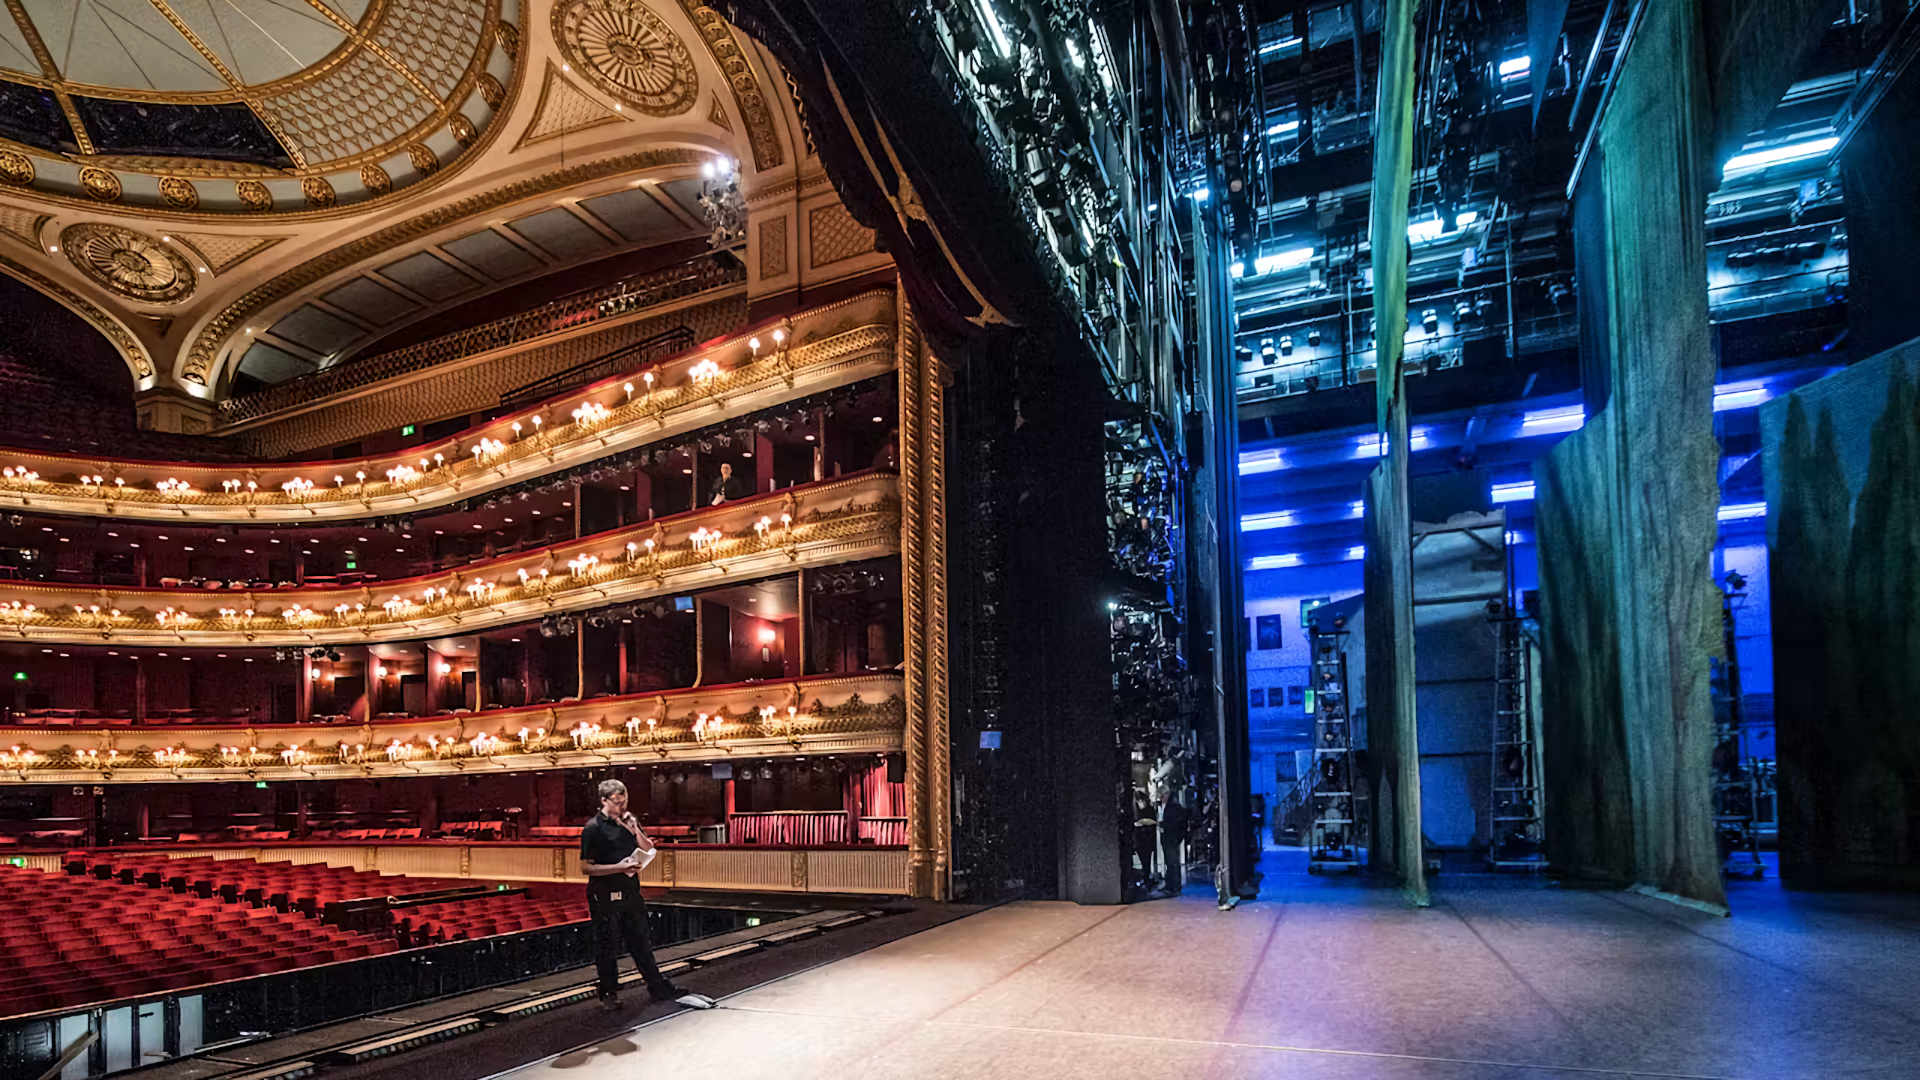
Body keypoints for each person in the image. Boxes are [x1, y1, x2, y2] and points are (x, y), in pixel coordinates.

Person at [579, 778, 714, 1010]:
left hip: (630, 889)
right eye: (617, 802)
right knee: (607, 946)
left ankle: (657, 987)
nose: (622, 807)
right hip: (604, 893)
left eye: (625, 802)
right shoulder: (593, 828)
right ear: (603, 801)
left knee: (641, 941)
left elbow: (649, 848)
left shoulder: (627, 821)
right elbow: (586, 867)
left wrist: (634, 829)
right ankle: (609, 994)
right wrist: (619, 867)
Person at [1157, 785, 1190, 896]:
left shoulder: (1174, 807)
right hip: (1167, 837)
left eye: (1162, 796)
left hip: (1172, 838)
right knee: (1169, 863)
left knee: (1173, 863)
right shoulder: (1165, 806)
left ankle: (1174, 887)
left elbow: (1177, 823)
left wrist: (1177, 836)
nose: (1161, 798)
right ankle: (1170, 885)